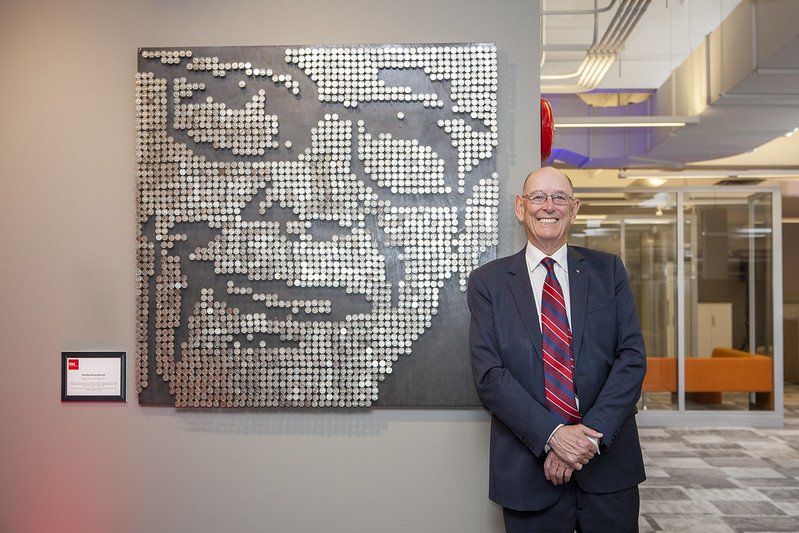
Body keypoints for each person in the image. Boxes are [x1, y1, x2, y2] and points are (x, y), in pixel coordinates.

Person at [468, 166, 646, 532]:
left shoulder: (608, 270)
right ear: (521, 207)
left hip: (608, 469)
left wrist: (587, 437)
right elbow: (490, 375)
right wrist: (554, 436)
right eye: (538, 197)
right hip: (527, 474)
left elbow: (631, 359)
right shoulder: (488, 282)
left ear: (574, 208)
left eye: (559, 197)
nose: (548, 206)